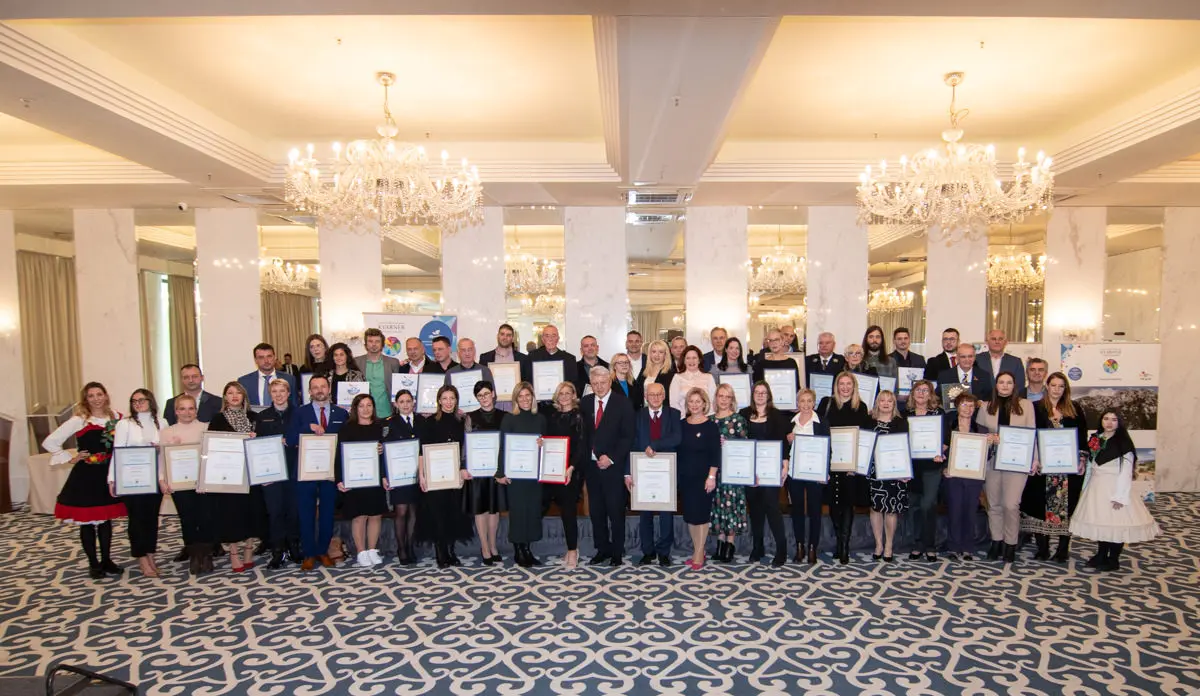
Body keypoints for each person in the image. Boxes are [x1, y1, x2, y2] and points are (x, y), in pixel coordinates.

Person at [44, 383, 125, 579]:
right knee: (87, 522)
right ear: (85, 399)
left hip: (108, 473)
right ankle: (93, 563)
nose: (96, 399)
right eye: (91, 396)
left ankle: (106, 560)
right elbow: (50, 441)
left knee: (105, 520)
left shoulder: (116, 417)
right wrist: (70, 457)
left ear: (106, 396)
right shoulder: (79, 420)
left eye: (99, 394)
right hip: (86, 476)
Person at [1070, 410, 1161, 571]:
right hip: (1096, 487)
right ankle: (1101, 554)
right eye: (1106, 419)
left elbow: (1126, 471)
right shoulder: (1096, 438)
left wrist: (1121, 496)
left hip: (1115, 487)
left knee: (1117, 524)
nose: (1109, 423)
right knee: (1102, 522)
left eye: (1114, 419)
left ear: (1119, 423)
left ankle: (1113, 559)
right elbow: (1092, 464)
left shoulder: (1123, 443)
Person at [1021, 372, 1087, 562]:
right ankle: (1042, 548)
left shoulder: (1075, 409)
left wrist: (1082, 459)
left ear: (1066, 389)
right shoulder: (1035, 408)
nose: (1057, 389)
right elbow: (1030, 434)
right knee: (1038, 505)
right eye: (1053, 385)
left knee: (1067, 507)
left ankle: (1062, 549)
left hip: (1068, 468)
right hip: (1042, 466)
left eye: (1061, 386)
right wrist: (1034, 458)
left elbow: (1082, 437)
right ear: (1047, 386)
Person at [287, 374, 349, 571]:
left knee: (327, 513)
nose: (319, 390)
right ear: (309, 391)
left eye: (323, 386)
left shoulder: (341, 413)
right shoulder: (299, 413)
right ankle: (309, 553)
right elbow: (289, 439)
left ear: (329, 389)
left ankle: (323, 550)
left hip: (330, 472)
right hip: (306, 472)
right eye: (315, 387)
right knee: (305, 513)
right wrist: (308, 427)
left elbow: (347, 442)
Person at [976, 371, 1035, 564]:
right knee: (994, 505)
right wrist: (988, 438)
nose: (1005, 385)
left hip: (1017, 462)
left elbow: (1032, 434)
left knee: (1011, 504)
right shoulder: (985, 407)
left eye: (1009, 382)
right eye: (1001, 382)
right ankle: (996, 541)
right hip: (992, 461)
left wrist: (1034, 459)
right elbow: (979, 434)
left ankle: (1010, 544)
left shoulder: (1026, 406)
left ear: (1014, 385)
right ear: (996, 385)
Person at [818, 372, 872, 564]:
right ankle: (839, 539)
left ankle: (844, 545)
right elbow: (819, 431)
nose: (845, 387)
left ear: (854, 386)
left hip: (851, 464)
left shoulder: (861, 407)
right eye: (842, 383)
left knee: (848, 502)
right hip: (831, 462)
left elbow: (864, 436)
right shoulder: (826, 403)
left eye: (849, 384)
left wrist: (856, 463)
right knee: (834, 502)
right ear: (836, 385)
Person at [583, 366, 635, 566]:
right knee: (596, 511)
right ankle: (602, 549)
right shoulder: (585, 402)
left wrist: (611, 458)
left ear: (610, 381)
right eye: (595, 383)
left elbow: (628, 436)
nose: (599, 387)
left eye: (602, 383)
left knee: (615, 511)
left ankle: (617, 551)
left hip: (613, 467)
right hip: (591, 467)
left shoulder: (623, 403)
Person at [109, 388, 163, 577]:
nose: (138, 403)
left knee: (151, 519)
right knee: (137, 520)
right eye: (134, 401)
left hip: (154, 479)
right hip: (132, 480)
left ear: (150, 401)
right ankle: (142, 558)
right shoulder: (125, 424)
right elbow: (117, 451)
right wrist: (112, 478)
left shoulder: (161, 422)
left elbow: (165, 452)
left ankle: (151, 554)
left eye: (142, 400)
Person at [418, 385, 474, 568]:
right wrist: (421, 475)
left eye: (452, 398)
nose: (449, 402)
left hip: (455, 476)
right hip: (435, 477)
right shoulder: (430, 422)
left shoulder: (462, 421)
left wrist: (464, 469)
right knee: (438, 514)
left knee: (453, 513)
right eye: (445, 398)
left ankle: (451, 551)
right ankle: (440, 552)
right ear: (439, 401)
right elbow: (422, 451)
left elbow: (467, 449)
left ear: (456, 400)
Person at [206, 381, 258, 571]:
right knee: (232, 514)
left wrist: (256, 439)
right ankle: (234, 553)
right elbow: (211, 447)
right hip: (229, 474)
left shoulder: (254, 417)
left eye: (238, 393)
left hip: (251, 473)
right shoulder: (218, 419)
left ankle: (249, 550)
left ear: (244, 396)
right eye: (230, 393)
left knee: (251, 512)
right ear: (225, 397)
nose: (234, 396)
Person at [158, 394, 213, 574]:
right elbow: (162, 459)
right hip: (179, 485)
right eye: (182, 408)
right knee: (187, 519)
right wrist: (162, 480)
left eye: (191, 408)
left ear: (196, 411)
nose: (187, 412)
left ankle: (206, 555)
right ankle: (194, 555)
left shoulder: (206, 428)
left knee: (205, 518)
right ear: (176, 411)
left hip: (202, 482)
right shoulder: (167, 432)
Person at [630, 382, 682, 566]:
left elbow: (677, 438)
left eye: (659, 394)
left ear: (664, 396)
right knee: (645, 513)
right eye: (652, 395)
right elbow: (632, 442)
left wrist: (654, 445)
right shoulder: (637, 415)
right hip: (643, 470)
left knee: (666, 513)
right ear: (646, 396)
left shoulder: (674, 414)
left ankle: (664, 552)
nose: (655, 398)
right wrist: (628, 472)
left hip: (666, 471)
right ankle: (648, 552)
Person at [740, 381, 791, 566]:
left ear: (768, 395)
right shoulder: (744, 414)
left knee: (772, 507)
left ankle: (781, 549)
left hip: (771, 469)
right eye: (757, 392)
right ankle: (758, 547)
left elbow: (784, 442)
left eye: (764, 392)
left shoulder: (777, 416)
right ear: (752, 394)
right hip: (750, 469)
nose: (760, 395)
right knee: (755, 509)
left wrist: (785, 464)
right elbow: (738, 440)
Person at [497, 381, 548, 567]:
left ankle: (527, 549)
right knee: (518, 512)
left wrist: (543, 444)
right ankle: (519, 550)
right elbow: (502, 446)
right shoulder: (509, 419)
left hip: (534, 474)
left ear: (533, 397)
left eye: (528, 395)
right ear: (516, 399)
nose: (525, 399)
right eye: (521, 396)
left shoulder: (540, 419)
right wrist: (500, 472)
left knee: (532, 511)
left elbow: (546, 444)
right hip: (515, 475)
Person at [335, 394, 387, 568]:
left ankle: (372, 550)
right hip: (354, 479)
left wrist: (383, 449)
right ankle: (361, 551)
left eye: (369, 405)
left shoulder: (380, 427)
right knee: (359, 516)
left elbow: (388, 451)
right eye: (361, 406)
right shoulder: (347, 428)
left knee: (375, 515)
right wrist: (339, 479)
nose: (366, 409)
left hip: (375, 478)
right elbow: (339, 455)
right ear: (355, 409)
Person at [252, 378, 298, 569]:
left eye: (282, 391)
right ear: (270, 394)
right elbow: (257, 448)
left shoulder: (298, 414)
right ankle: (277, 551)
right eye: (274, 391)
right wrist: (261, 475)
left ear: (289, 393)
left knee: (294, 512)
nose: (279, 395)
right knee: (275, 512)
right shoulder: (262, 417)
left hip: (294, 471)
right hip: (271, 474)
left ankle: (294, 547)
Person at [675, 388, 721, 569]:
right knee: (691, 516)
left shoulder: (711, 426)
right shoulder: (681, 424)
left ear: (704, 404)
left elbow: (715, 454)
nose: (694, 405)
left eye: (697, 401)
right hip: (686, 478)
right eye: (691, 401)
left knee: (701, 516)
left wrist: (711, 476)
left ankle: (699, 554)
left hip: (704, 478)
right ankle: (698, 549)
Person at [939, 392, 988, 561]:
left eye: (971, 405)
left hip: (973, 476)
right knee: (955, 511)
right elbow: (941, 451)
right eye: (964, 404)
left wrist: (990, 444)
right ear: (957, 406)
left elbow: (986, 456)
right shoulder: (948, 427)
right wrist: (944, 467)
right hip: (953, 475)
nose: (968, 408)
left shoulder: (981, 430)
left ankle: (967, 548)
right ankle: (953, 547)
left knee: (970, 512)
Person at [544, 382, 587, 568]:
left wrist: (571, 467)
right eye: (561, 393)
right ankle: (569, 549)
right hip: (554, 470)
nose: (564, 396)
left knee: (569, 511)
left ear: (574, 395)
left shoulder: (579, 416)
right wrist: (542, 442)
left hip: (571, 471)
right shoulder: (552, 416)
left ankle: (573, 551)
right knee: (562, 509)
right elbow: (549, 440)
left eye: (568, 393)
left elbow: (582, 446)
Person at [465, 381, 508, 565]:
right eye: (480, 396)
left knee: (493, 509)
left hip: (496, 471)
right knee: (480, 509)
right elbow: (466, 445)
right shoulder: (470, 417)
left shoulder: (504, 416)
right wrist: (465, 466)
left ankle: (493, 545)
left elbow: (508, 443)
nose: (484, 398)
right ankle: (484, 547)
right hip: (478, 471)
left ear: (493, 393)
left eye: (486, 394)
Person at [786, 389, 829, 564]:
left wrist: (825, 472)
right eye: (802, 401)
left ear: (814, 403)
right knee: (797, 510)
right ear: (797, 403)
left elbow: (828, 449)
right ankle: (799, 546)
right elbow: (784, 449)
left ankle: (812, 547)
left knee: (815, 511)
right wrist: (788, 441)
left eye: (809, 401)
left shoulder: (821, 422)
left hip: (814, 472)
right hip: (794, 472)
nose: (805, 404)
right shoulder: (790, 422)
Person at [866, 390, 909, 563]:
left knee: (891, 510)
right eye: (882, 400)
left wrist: (905, 470)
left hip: (894, 472)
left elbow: (906, 447)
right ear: (877, 403)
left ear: (894, 404)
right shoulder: (869, 421)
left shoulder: (901, 422)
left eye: (889, 401)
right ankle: (878, 544)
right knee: (875, 508)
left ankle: (889, 545)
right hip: (874, 472)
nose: (885, 403)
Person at [905, 380, 945, 562]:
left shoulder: (938, 413)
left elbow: (946, 439)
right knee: (914, 506)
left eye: (925, 390)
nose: (921, 393)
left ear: (931, 395)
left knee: (927, 505)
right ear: (912, 393)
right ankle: (917, 544)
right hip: (911, 467)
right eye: (918, 390)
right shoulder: (905, 414)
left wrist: (940, 451)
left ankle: (930, 545)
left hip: (931, 466)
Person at [709, 382, 748, 563]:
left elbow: (745, 447)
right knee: (718, 507)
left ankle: (729, 544)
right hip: (714, 471)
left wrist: (729, 444)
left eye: (727, 397)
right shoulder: (709, 420)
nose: (724, 400)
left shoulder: (738, 420)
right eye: (721, 396)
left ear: (732, 399)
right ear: (716, 398)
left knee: (731, 507)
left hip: (733, 471)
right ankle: (720, 543)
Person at [382, 389, 422, 565]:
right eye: (402, 402)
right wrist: (384, 475)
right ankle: (401, 548)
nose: (406, 405)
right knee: (401, 511)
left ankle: (410, 546)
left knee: (414, 511)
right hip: (398, 475)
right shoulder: (389, 423)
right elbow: (383, 451)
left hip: (417, 474)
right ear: (396, 404)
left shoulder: (422, 421)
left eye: (408, 401)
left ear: (414, 402)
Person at [355, 328, 402, 417]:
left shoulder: (393, 362)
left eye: (377, 341)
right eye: (370, 341)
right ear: (365, 345)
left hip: (387, 412)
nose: (374, 344)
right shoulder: (357, 362)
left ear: (382, 344)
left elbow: (398, 387)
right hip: (364, 414)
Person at [526, 325, 579, 404]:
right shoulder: (532, 357)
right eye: (547, 336)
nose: (550, 339)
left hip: (562, 405)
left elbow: (573, 385)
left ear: (558, 338)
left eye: (554, 335)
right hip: (539, 405)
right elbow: (527, 381)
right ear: (543, 339)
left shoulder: (569, 359)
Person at [239, 342, 298, 408]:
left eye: (269, 356)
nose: (266, 361)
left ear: (274, 357)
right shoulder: (244, 382)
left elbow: (295, 406)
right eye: (261, 357)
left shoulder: (290, 379)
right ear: (256, 360)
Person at [755, 329, 801, 405]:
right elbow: (757, 390)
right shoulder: (761, 364)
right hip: (767, 407)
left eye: (776, 340)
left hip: (787, 407)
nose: (773, 343)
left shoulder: (791, 363)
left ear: (782, 342)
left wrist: (795, 403)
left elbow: (796, 387)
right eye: (770, 340)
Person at [670, 345, 717, 415]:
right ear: (684, 361)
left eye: (694, 358)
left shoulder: (709, 377)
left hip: (705, 417)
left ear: (699, 360)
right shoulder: (677, 378)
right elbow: (674, 403)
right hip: (683, 418)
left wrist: (705, 418)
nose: (691, 361)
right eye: (688, 358)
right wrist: (685, 418)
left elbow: (713, 402)